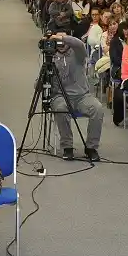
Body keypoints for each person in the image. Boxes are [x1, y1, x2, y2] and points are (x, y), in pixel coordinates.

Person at [48, 31, 104, 161]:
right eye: (58, 40)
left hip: (81, 96)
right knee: (60, 108)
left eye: (64, 39)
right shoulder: (51, 57)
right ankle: (67, 146)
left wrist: (63, 37)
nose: (61, 42)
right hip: (60, 96)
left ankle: (91, 147)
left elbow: (79, 44)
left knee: (97, 108)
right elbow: (39, 81)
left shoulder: (78, 54)